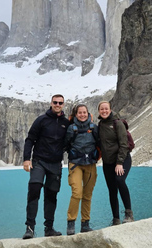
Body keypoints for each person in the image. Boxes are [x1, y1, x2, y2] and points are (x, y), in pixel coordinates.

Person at [22, 94, 70, 239]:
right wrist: (26, 159)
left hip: (55, 164)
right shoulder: (41, 120)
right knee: (34, 189)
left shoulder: (66, 123)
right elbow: (30, 139)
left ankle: (49, 228)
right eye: (55, 102)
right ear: (51, 103)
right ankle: (29, 228)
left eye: (60, 103)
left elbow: (70, 143)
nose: (57, 104)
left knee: (51, 195)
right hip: (39, 161)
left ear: (63, 104)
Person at [97, 100, 134, 225]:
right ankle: (116, 219)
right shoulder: (100, 125)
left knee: (119, 180)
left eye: (106, 108)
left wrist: (119, 163)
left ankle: (129, 213)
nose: (104, 111)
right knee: (112, 189)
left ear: (110, 109)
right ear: (99, 111)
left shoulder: (117, 123)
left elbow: (124, 145)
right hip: (108, 163)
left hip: (122, 159)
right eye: (102, 109)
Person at [64, 104, 99, 235]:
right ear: (76, 114)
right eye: (80, 113)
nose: (82, 115)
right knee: (77, 193)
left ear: (88, 113)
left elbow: (100, 143)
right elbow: (65, 144)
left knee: (87, 195)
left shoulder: (94, 127)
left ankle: (85, 224)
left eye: (84, 112)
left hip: (90, 164)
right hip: (75, 164)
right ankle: (71, 222)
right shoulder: (71, 129)